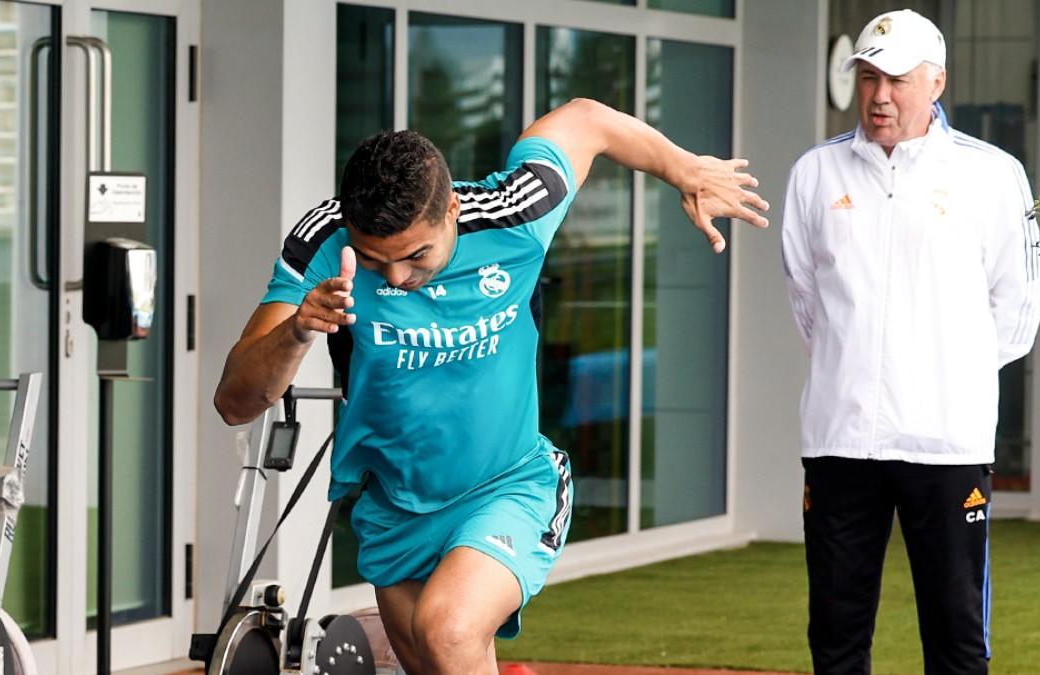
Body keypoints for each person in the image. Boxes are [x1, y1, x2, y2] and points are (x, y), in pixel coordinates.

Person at [215, 97, 770, 674]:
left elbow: (585, 120)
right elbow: (235, 401)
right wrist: (299, 331)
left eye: (415, 255)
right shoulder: (324, 242)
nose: (399, 278)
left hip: (509, 484)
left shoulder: (516, 215)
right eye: (377, 262)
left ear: (452, 208)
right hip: (396, 507)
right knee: (445, 657)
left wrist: (684, 168)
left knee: (448, 630)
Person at [781, 9, 1040, 675]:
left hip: (947, 444)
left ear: (937, 82)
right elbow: (808, 301)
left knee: (957, 641)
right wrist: (861, 365)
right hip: (839, 442)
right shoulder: (815, 175)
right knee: (835, 639)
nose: (879, 96)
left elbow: (1019, 307)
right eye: (867, 77)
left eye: (897, 80)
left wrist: (944, 371)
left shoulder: (993, 175)